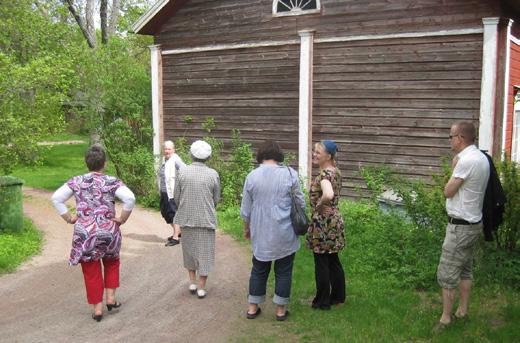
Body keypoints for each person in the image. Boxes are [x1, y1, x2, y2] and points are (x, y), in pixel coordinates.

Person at [51, 145, 135, 322]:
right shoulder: (112, 181)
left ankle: (97, 309)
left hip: (85, 233)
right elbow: (130, 198)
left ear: (86, 163)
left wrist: (69, 218)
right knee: (112, 261)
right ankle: (111, 299)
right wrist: (122, 219)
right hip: (108, 231)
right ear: (104, 163)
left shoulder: (76, 181)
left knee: (91, 269)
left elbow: (56, 198)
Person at [240, 140, 305, 321]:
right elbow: (300, 202)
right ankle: (280, 312)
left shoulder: (251, 176)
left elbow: (246, 209)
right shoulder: (290, 174)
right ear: (278, 155)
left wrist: (247, 229)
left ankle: (252, 308)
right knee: (284, 271)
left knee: (259, 269)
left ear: (261, 155)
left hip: (260, 230)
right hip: (285, 231)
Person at [435, 121, 490, 329]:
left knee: (448, 272)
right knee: (465, 269)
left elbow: (448, 191)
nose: (449, 140)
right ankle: (463, 310)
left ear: (461, 138)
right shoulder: (481, 157)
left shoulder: (465, 161)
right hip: (473, 222)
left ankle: (446, 319)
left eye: (451, 136)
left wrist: (453, 168)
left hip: (460, 226)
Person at [173, 140, 220, 299]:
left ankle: (192, 282)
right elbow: (216, 198)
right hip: (206, 219)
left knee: (190, 251)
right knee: (205, 254)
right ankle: (201, 287)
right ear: (208, 157)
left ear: (191, 155)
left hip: (187, 218)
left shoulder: (182, 172)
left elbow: (177, 197)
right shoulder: (213, 174)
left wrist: (185, 207)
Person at [306, 140, 346, 310]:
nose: (314, 154)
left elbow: (328, 194)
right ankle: (338, 296)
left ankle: (322, 301)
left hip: (323, 223)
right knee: (332, 259)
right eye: (314, 151)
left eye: (318, 152)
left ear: (328, 156)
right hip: (334, 220)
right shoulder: (335, 172)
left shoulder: (324, 175)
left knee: (322, 261)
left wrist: (319, 205)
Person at [159, 140, 186, 246]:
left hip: (172, 192)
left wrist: (180, 186)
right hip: (164, 192)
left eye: (169, 149)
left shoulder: (176, 160)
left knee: (173, 214)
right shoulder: (164, 159)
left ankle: (175, 238)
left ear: (173, 150)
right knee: (165, 213)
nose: (167, 151)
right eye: (165, 149)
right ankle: (178, 231)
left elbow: (185, 170)